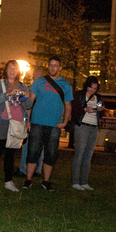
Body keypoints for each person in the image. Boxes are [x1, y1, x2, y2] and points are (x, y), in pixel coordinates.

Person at [24, 56, 73, 191]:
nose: (53, 68)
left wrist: (65, 122)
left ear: (60, 68)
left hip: (54, 125)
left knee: (51, 154)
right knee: (33, 151)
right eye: (51, 65)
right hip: (37, 123)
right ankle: (28, 180)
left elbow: (68, 106)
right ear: (48, 66)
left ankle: (46, 181)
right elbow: (30, 102)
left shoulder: (66, 85)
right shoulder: (39, 82)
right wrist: (27, 120)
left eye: (55, 65)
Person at [0, 60, 34, 191]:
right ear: (6, 70)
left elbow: (28, 105)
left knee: (10, 153)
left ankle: (8, 181)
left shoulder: (23, 86)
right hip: (1, 121)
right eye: (10, 68)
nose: (12, 70)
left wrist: (26, 96)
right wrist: (8, 94)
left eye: (15, 68)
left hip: (17, 122)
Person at [70, 76, 103, 190]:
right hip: (82, 125)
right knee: (79, 153)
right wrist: (84, 109)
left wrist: (100, 110)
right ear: (87, 86)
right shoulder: (79, 95)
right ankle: (75, 181)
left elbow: (100, 112)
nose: (93, 90)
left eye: (95, 88)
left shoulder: (98, 97)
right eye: (91, 88)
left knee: (89, 155)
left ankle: (84, 181)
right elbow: (73, 109)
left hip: (93, 126)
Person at [18, 66, 45, 177]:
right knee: (27, 145)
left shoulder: (43, 92)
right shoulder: (29, 91)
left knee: (38, 147)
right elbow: (25, 107)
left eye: (38, 75)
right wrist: (26, 120)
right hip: (31, 122)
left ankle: (36, 169)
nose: (35, 77)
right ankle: (25, 169)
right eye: (35, 75)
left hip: (39, 122)